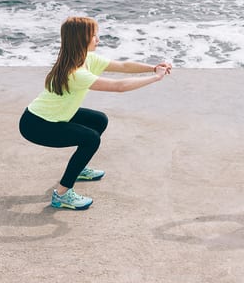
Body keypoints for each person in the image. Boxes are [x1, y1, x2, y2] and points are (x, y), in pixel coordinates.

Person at [19, 16, 172, 210]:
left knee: (98, 121)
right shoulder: (75, 73)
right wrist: (155, 78)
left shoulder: (86, 59)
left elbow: (123, 67)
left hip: (55, 115)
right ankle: (62, 194)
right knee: (90, 139)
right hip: (37, 125)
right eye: (93, 36)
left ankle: (79, 168)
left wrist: (153, 68)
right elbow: (119, 86)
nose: (98, 39)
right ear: (81, 39)